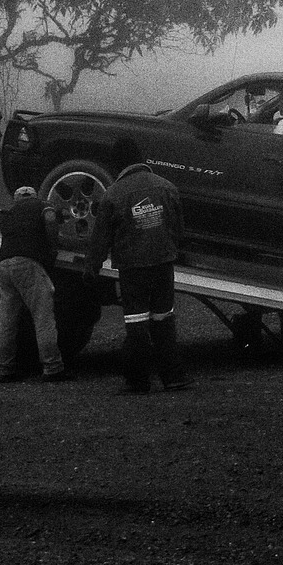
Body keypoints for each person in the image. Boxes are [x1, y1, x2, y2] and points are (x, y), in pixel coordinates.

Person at [84, 162, 188, 394]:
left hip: (133, 268)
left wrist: (92, 265)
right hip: (163, 263)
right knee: (163, 318)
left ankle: (138, 381)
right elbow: (179, 228)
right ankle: (173, 377)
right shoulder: (167, 187)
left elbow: (101, 236)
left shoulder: (114, 194)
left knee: (137, 323)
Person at [0, 186, 71, 383]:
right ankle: (53, 368)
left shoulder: (8, 214)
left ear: (16, 198)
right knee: (43, 316)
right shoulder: (42, 205)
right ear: (35, 196)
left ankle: (4, 370)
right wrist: (54, 243)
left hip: (4, 265)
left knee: (7, 321)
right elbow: (51, 219)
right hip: (27, 264)